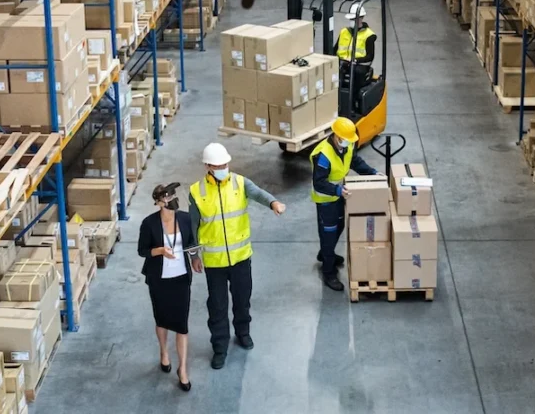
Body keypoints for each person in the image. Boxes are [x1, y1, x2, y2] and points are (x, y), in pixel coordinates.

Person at [189, 142, 286, 370]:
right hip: (214, 262)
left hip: (241, 257)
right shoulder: (197, 191)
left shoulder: (240, 183)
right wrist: (194, 255)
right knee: (217, 307)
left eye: (225, 164)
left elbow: (258, 193)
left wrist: (273, 202)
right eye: (218, 166)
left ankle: (243, 332)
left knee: (242, 300)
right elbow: (192, 226)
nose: (223, 168)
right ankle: (220, 347)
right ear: (208, 167)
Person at [137, 183, 199, 391]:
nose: (172, 200)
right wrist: (160, 251)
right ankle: (164, 351)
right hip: (159, 279)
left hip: (181, 278)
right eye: (167, 197)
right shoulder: (149, 223)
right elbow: (142, 251)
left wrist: (195, 257)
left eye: (173, 196)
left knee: (182, 325)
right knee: (162, 319)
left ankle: (183, 369)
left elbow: (191, 242)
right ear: (158, 202)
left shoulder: (185, 219)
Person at [310, 117, 379, 292]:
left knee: (339, 226)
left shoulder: (346, 146)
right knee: (328, 234)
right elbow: (319, 183)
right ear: (337, 136)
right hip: (326, 200)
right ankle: (328, 272)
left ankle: (326, 254)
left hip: (340, 195)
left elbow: (355, 161)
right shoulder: (323, 155)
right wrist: (337, 190)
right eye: (346, 139)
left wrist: (372, 173)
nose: (349, 143)